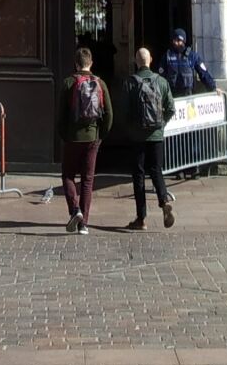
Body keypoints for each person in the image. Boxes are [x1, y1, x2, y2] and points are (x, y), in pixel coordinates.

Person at [57, 45, 112, 235]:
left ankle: (75, 210)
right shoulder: (100, 83)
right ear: (91, 63)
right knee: (88, 180)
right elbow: (109, 114)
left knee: (68, 175)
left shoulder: (68, 83)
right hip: (92, 137)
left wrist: (64, 134)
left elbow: (61, 114)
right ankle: (84, 224)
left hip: (72, 137)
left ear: (76, 63)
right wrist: (100, 134)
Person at [122, 46, 176, 231]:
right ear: (150, 59)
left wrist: (131, 128)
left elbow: (125, 110)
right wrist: (160, 124)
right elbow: (171, 108)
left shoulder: (130, 82)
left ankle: (141, 218)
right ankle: (163, 201)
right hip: (156, 135)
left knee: (138, 175)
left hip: (137, 137)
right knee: (156, 170)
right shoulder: (161, 82)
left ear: (136, 61)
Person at [160, 28, 215, 97]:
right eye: (174, 40)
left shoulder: (192, 56)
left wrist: (213, 88)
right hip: (172, 96)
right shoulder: (167, 56)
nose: (175, 43)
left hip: (187, 97)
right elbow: (160, 77)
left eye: (178, 40)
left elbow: (203, 73)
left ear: (183, 41)